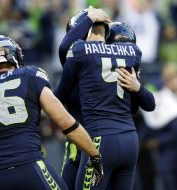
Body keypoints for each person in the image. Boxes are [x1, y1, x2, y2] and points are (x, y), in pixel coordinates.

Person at [0, 35, 104, 190]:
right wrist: (94, 155)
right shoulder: (30, 76)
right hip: (29, 167)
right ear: (13, 56)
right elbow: (65, 122)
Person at [56, 18, 155, 189]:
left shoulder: (81, 54)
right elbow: (143, 105)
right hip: (128, 139)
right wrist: (137, 88)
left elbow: (66, 50)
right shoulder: (132, 54)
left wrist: (89, 20)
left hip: (96, 142)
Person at [59, 8, 111, 190]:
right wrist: (89, 19)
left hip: (99, 141)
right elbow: (65, 48)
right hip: (80, 143)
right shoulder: (76, 60)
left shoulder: (108, 62)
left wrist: (89, 20)